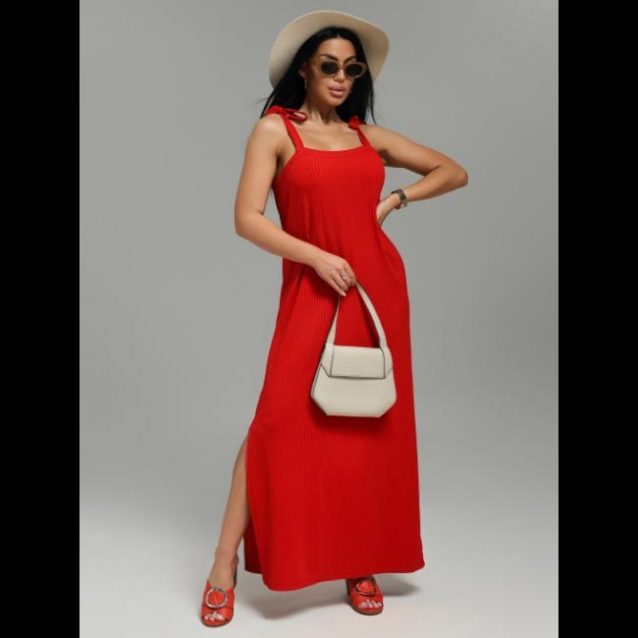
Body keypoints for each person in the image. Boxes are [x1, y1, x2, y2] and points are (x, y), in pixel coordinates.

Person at [200, 10, 468, 627]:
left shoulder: (366, 137)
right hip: (314, 288)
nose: (342, 77)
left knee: (364, 426)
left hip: (376, 291)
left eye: (352, 68)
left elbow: (453, 171)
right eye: (329, 66)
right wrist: (316, 256)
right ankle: (221, 565)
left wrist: (393, 200)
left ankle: (359, 560)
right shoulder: (275, 130)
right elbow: (247, 219)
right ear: (305, 69)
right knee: (275, 423)